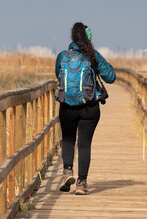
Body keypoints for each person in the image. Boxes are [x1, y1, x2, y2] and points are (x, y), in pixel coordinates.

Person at [55, 22, 116, 195]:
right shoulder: (93, 55)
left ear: (73, 37)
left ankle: (67, 171)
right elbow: (111, 77)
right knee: (84, 145)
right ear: (89, 37)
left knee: (67, 139)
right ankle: (81, 183)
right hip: (89, 107)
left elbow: (57, 75)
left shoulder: (62, 55)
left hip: (67, 106)